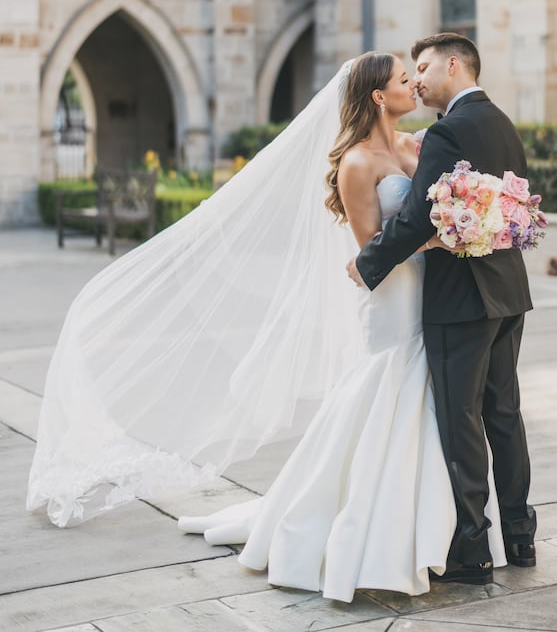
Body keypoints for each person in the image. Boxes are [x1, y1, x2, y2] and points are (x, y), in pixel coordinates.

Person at [177, 51, 505, 599]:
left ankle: (440, 531)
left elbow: (450, 190)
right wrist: (446, 231)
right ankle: (368, 528)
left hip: (434, 293)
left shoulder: (413, 145)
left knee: (436, 406)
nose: (414, 86)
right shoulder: (356, 163)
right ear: (379, 96)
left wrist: (468, 213)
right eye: (405, 79)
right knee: (390, 391)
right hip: (393, 298)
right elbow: (371, 250)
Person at [348, 33, 537, 586]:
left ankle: (472, 548)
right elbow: (517, 203)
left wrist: (369, 263)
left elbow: (418, 219)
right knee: (504, 413)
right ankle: (520, 535)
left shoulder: (449, 129)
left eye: (424, 68)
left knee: (460, 419)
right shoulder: (502, 121)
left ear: (453, 65)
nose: (419, 79)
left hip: (460, 298)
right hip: (507, 291)